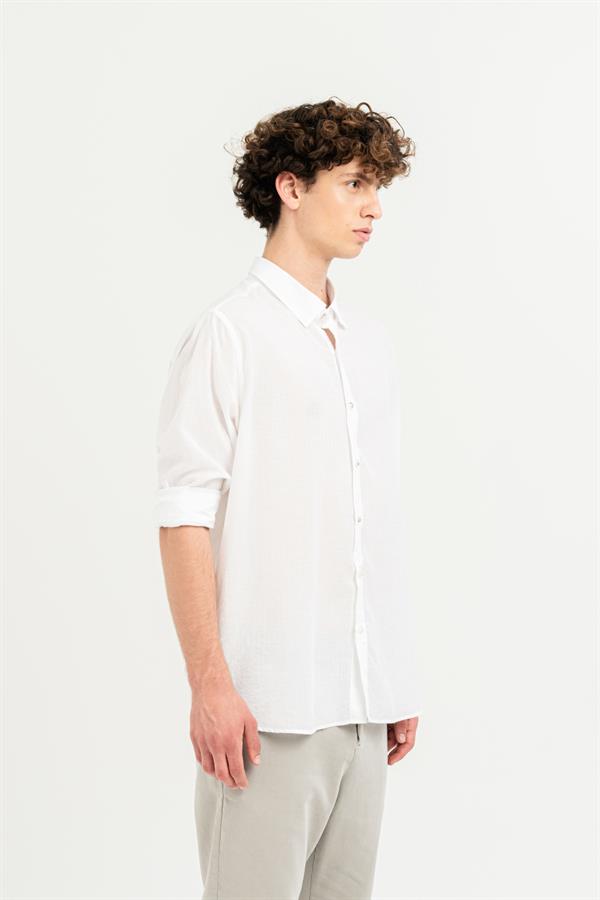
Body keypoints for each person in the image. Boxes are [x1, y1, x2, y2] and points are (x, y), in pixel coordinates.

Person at [154, 97, 423, 900]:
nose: (374, 208)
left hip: (362, 709)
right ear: (292, 188)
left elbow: (371, 526)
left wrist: (388, 679)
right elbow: (183, 516)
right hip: (265, 711)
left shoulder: (369, 345)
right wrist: (209, 684)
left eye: (378, 187)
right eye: (354, 184)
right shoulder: (230, 334)